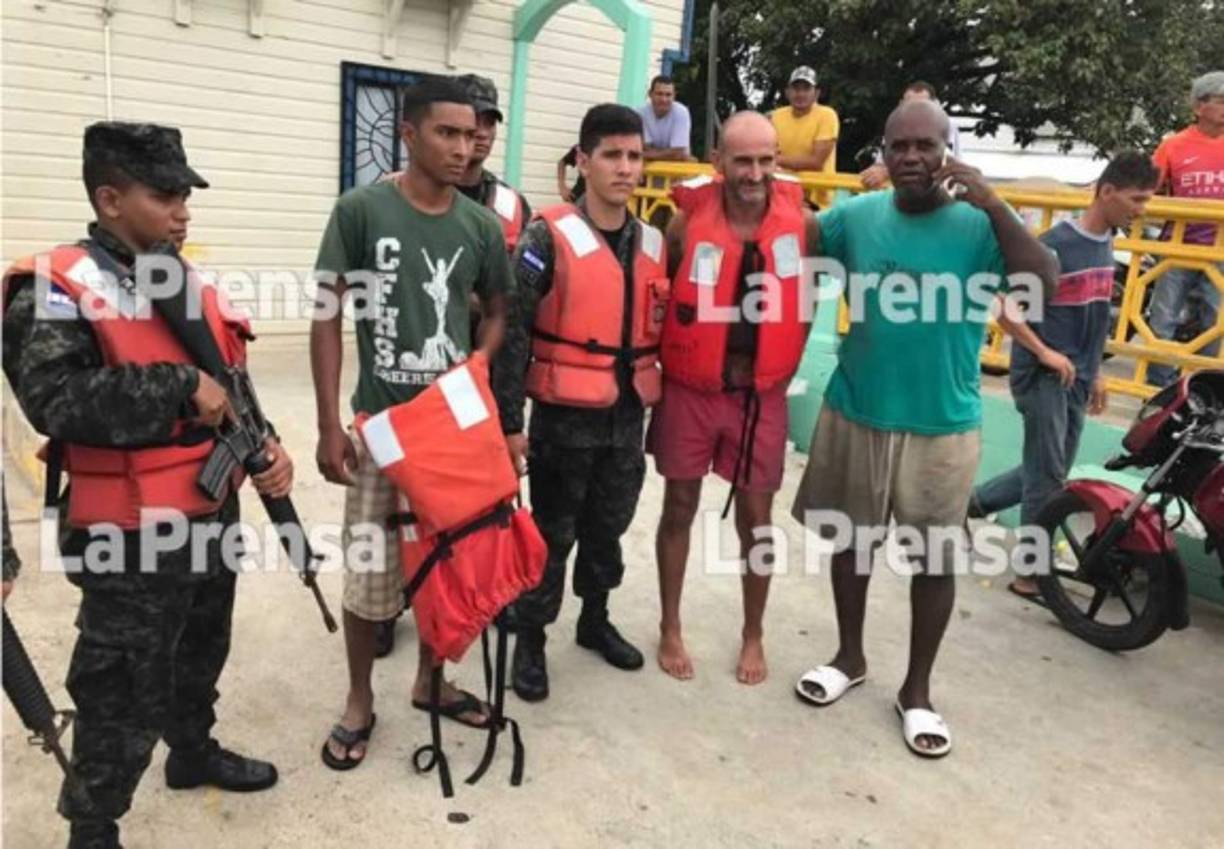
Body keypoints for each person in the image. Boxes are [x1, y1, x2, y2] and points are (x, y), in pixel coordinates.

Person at [2, 121, 291, 849]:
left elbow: (229, 377)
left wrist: (265, 445)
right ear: (108, 198)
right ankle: (93, 827)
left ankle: (192, 751)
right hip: (126, 534)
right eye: (164, 195)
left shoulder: (178, 276)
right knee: (122, 687)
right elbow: (56, 401)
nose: (182, 210)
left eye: (185, 194)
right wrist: (174, 385)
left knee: (202, 647)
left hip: (208, 507)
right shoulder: (56, 289)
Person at [790, 100, 1057, 757]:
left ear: (948, 149)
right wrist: (740, 188)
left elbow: (1044, 279)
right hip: (856, 409)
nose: (910, 157)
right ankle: (848, 657)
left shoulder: (977, 225)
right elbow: (789, 239)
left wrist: (996, 204)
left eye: (924, 145)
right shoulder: (856, 216)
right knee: (852, 544)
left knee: (934, 562)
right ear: (882, 151)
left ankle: (917, 691)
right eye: (898, 146)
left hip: (943, 423)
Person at [311, 78, 512, 769]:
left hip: (450, 435)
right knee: (370, 574)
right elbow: (327, 314)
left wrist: (476, 367)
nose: (464, 146)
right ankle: (360, 697)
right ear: (410, 134)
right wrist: (328, 425)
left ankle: (432, 678)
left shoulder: (482, 226)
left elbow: (498, 311)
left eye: (472, 133)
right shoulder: (360, 211)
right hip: (380, 426)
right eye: (447, 133)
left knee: (444, 567)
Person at [494, 103, 664, 702]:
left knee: (608, 530)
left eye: (634, 156)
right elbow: (512, 332)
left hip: (624, 421)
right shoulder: (547, 235)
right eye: (612, 155)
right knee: (551, 536)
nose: (625, 168)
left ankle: (594, 620)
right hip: (564, 420)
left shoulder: (654, 242)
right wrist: (510, 424)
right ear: (584, 161)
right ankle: (532, 639)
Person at [650, 111, 819, 686]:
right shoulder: (683, 225)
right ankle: (670, 625)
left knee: (757, 520)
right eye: (741, 160)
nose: (753, 173)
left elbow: (808, 298)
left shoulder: (804, 225)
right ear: (718, 163)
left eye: (765, 160)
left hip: (759, 396)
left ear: (777, 161)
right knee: (678, 506)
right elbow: (663, 301)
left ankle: (754, 633)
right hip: (692, 390)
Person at [971, 153, 1159, 599]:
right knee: (1048, 478)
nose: (1142, 209)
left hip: (1078, 374)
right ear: (1107, 191)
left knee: (1048, 468)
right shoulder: (1054, 247)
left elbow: (1095, 315)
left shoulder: (1107, 243)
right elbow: (1005, 309)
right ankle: (1028, 574)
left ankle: (971, 504)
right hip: (1042, 376)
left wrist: (1096, 373)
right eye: (1137, 199)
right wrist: (1044, 352)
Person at [1146, 70, 1224, 387]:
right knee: (1162, 319)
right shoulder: (1173, 146)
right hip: (1176, 249)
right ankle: (1157, 389)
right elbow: (1147, 187)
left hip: (1220, 251)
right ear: (1198, 107)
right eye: (1221, 101)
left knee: (1215, 323)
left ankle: (1202, 391)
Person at [860, 81, 962, 189]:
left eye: (922, 106)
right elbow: (880, 164)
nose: (915, 111)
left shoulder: (946, 125)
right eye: (909, 105)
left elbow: (948, 165)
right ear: (901, 104)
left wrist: (889, 171)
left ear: (935, 104)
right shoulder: (895, 125)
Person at [770, 66, 840, 207]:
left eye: (806, 88)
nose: (800, 94)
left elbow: (816, 162)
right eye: (796, 88)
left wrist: (776, 160)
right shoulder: (776, 116)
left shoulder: (827, 115)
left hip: (817, 201)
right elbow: (766, 152)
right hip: (782, 194)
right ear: (787, 92)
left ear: (816, 93)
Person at [636, 75, 692, 161]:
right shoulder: (640, 113)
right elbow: (645, 147)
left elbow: (678, 153)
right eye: (659, 94)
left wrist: (646, 154)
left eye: (668, 95)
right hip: (650, 167)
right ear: (650, 94)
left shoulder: (681, 112)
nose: (663, 99)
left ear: (674, 96)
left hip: (678, 168)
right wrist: (671, 153)